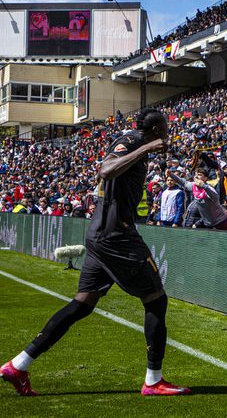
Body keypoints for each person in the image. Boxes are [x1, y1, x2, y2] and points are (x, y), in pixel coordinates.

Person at [1, 109, 191, 396]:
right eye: (165, 128)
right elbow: (106, 169)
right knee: (156, 299)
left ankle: (18, 365)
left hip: (101, 236)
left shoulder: (131, 142)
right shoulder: (133, 142)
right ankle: (154, 381)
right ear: (155, 130)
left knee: (82, 304)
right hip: (117, 237)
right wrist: (147, 148)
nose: (167, 133)